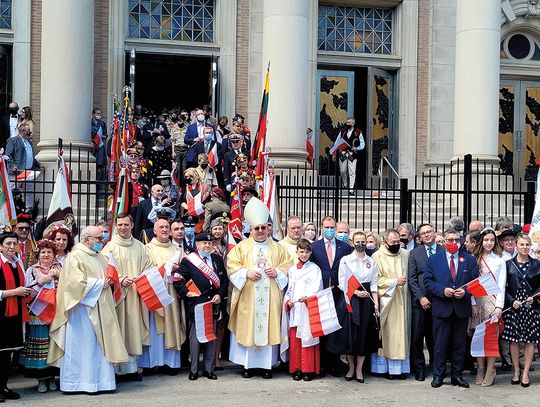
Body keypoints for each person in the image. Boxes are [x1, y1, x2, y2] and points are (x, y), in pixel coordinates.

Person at [47, 226, 129, 393]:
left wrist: (111, 282)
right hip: (82, 310)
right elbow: (73, 284)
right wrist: (99, 284)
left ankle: (101, 382)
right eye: (98, 238)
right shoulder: (75, 256)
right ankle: (77, 383)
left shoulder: (99, 257)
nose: (102, 241)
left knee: (98, 345)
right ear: (86, 240)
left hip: (101, 305)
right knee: (83, 345)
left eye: (102, 237)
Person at [227, 197, 292, 379]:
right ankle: (247, 366)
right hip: (248, 294)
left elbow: (288, 266)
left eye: (264, 227)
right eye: (257, 228)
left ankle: (266, 366)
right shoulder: (241, 247)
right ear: (251, 229)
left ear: (268, 228)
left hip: (270, 295)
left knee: (268, 327)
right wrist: (246, 273)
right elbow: (231, 266)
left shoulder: (278, 248)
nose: (261, 231)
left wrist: (277, 272)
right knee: (249, 328)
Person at [101, 213, 154, 381]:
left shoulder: (140, 246)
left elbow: (150, 267)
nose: (123, 227)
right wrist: (121, 280)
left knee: (133, 330)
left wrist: (141, 280)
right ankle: (116, 370)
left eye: (126, 224)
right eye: (120, 225)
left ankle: (131, 369)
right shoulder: (109, 247)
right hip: (118, 296)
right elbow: (103, 270)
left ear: (132, 225)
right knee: (119, 330)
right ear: (116, 226)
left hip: (136, 295)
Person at [424, 228, 479, 389]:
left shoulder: (468, 259)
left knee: (459, 344)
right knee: (440, 344)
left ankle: (457, 375)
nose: (453, 243)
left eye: (456, 240)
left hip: (461, 309)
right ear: (444, 241)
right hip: (442, 308)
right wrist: (442, 291)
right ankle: (438, 375)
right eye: (450, 240)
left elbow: (476, 281)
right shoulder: (434, 259)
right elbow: (428, 281)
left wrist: (467, 291)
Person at [174, 233, 228, 380]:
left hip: (213, 304)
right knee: (195, 338)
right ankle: (194, 370)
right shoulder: (189, 260)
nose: (207, 246)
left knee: (211, 336)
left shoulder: (217, 259)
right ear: (197, 245)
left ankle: (209, 369)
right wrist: (187, 293)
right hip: (197, 304)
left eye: (210, 243)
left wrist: (220, 295)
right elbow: (177, 278)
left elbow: (224, 281)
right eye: (204, 243)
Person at [327, 231, 379, 383]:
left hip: (366, 302)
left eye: (363, 241)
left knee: (363, 336)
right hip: (350, 300)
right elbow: (342, 282)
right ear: (352, 242)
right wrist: (355, 292)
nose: (361, 244)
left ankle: (359, 369)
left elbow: (374, 282)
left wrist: (375, 302)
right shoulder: (346, 260)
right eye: (358, 241)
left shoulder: (371, 261)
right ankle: (350, 367)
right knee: (351, 336)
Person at [140, 219, 186, 374]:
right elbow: (145, 271)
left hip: (172, 292)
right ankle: (151, 363)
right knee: (155, 329)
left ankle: (170, 363)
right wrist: (165, 268)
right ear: (155, 230)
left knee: (171, 327)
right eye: (161, 227)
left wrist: (177, 270)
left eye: (167, 227)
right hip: (155, 293)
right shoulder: (147, 249)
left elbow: (185, 270)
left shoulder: (177, 250)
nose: (165, 230)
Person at [309, 216, 352, 376]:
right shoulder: (314, 247)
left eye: (332, 227)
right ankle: (321, 364)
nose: (329, 230)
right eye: (326, 227)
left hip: (337, 293)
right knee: (321, 328)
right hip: (320, 294)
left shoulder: (345, 247)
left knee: (334, 329)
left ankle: (334, 364)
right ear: (321, 227)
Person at [22, 239, 61, 393]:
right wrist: (40, 283)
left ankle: (52, 377)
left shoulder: (60, 268)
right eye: (43, 252)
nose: (45, 255)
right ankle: (41, 380)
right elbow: (27, 289)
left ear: (54, 254)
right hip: (37, 313)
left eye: (49, 252)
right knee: (41, 348)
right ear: (38, 254)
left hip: (55, 312)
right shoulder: (32, 270)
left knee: (53, 345)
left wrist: (55, 277)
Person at [281, 238, 323, 381]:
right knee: (295, 341)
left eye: (306, 251)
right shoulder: (292, 270)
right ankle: (296, 369)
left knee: (308, 339)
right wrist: (288, 302)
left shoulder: (315, 269)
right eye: (301, 251)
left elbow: (318, 288)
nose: (304, 254)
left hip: (308, 308)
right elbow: (288, 289)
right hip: (296, 308)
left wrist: (309, 297)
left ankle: (308, 370)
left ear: (310, 253)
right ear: (297, 252)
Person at [501, 233, 540, 388]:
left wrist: (534, 297)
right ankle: (516, 370)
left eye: (527, 245)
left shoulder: (537, 264)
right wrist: (512, 301)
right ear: (516, 246)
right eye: (522, 245)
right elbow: (504, 287)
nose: (525, 247)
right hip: (515, 307)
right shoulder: (508, 264)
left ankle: (525, 373)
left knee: (531, 340)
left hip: (531, 307)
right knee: (514, 340)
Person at [371, 229, 410, 379]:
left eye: (398, 241)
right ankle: (385, 370)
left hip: (403, 299)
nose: (396, 244)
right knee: (387, 334)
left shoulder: (405, 254)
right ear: (385, 241)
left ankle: (399, 370)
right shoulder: (377, 256)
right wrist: (394, 282)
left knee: (401, 334)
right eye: (393, 242)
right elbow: (376, 279)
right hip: (386, 301)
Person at [470, 227, 506, 387]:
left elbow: (502, 284)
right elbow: (471, 283)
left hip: (493, 299)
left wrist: (499, 307)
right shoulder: (474, 258)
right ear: (481, 241)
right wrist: (472, 304)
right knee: (478, 337)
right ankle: (480, 368)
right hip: (477, 300)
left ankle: (491, 369)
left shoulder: (500, 258)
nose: (489, 243)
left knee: (491, 337)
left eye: (492, 240)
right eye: (486, 240)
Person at [0, 230, 33, 401]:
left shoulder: (17, 262)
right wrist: (15, 292)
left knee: (7, 353)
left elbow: (23, 285)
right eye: (8, 244)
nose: (12, 247)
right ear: (0, 246)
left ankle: (3, 387)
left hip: (15, 313)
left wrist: (28, 291)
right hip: (2, 313)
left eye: (15, 244)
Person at [407, 223, 440, 382]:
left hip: (439, 302)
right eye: (423, 233)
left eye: (429, 232)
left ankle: (436, 367)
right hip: (419, 303)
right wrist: (421, 297)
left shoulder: (443, 250)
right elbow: (412, 279)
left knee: (436, 338)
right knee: (417, 337)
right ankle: (420, 368)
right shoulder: (414, 253)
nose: (427, 235)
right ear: (419, 237)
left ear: (434, 233)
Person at [337, 117, 365, 194]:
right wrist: (334, 153)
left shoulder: (358, 132)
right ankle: (345, 184)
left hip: (352, 154)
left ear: (353, 123)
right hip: (343, 153)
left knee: (352, 172)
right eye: (347, 122)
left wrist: (357, 148)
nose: (347, 124)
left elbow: (363, 143)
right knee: (342, 171)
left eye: (349, 122)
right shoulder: (342, 131)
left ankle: (351, 189)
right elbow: (337, 142)